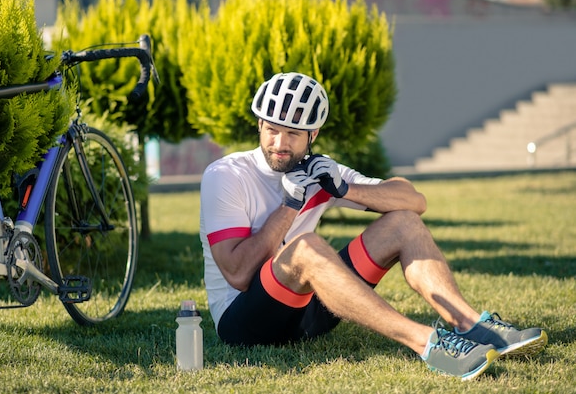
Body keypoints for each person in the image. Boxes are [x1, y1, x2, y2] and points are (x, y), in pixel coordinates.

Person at [199, 72, 547, 380]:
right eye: (272, 130)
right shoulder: (226, 176)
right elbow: (238, 273)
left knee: (403, 223)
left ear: (313, 134)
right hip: (244, 322)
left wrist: (345, 188)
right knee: (305, 248)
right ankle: (428, 344)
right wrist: (290, 204)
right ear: (259, 124)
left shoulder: (317, 170)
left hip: (307, 316)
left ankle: (470, 324)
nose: (279, 144)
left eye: (292, 133)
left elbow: (414, 201)